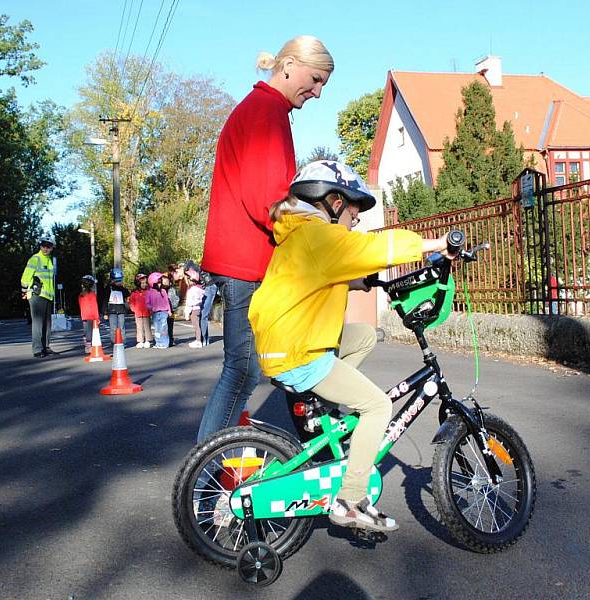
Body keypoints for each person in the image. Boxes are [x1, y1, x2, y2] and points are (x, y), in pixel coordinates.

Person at [248, 160, 453, 532]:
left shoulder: (303, 233)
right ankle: (350, 499)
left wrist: (365, 282)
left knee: (364, 335)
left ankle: (327, 409)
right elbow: (374, 246)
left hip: (291, 340)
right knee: (378, 406)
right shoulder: (318, 235)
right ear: (335, 201)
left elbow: (326, 274)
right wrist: (437, 243)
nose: (355, 221)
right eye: (354, 213)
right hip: (299, 351)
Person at [196, 35, 334, 443]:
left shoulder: (267, 110)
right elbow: (269, 202)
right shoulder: (265, 112)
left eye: (323, 83)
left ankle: (314, 453)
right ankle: (203, 475)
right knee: (243, 370)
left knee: (270, 364)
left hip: (245, 259)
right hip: (248, 263)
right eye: (315, 79)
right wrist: (323, 234)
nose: (318, 92)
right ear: (288, 65)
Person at [20, 233, 57, 358]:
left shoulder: (50, 260)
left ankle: (46, 346)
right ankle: (37, 349)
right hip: (37, 294)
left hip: (47, 295)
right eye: (43, 246)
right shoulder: (35, 258)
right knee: (37, 322)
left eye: (49, 246)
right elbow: (25, 276)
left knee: (47, 323)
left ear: (52, 247)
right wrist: (24, 290)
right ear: (40, 246)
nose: (46, 248)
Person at [102, 268, 130, 343]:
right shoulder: (109, 289)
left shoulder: (123, 289)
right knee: (113, 327)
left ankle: (123, 341)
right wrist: (105, 312)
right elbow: (105, 300)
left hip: (121, 310)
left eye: (120, 280)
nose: (119, 283)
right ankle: (113, 341)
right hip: (111, 311)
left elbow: (127, 295)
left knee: (122, 326)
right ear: (112, 280)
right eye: (117, 281)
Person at [145, 272, 171, 349]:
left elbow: (167, 302)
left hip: (164, 312)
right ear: (153, 283)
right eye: (158, 282)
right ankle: (158, 343)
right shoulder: (149, 292)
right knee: (157, 329)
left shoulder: (163, 291)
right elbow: (147, 303)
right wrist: (152, 308)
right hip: (155, 313)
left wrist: (169, 311)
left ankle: (165, 343)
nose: (160, 284)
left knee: (164, 328)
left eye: (160, 282)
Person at [129, 273, 153, 349]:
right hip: (138, 313)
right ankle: (140, 341)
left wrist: (151, 309)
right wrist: (134, 309)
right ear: (138, 283)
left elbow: (151, 301)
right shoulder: (134, 293)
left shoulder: (149, 292)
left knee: (147, 327)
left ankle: (148, 340)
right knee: (139, 327)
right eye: (142, 283)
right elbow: (131, 302)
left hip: (147, 312)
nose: (144, 285)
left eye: (145, 283)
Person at [77, 275, 99, 353]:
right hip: (91, 316)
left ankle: (86, 345)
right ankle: (89, 347)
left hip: (84, 315)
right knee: (91, 331)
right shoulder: (92, 294)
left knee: (86, 330)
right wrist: (97, 317)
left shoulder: (81, 295)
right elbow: (94, 306)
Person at [184, 268, 205, 349]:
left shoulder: (191, 290)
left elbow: (189, 303)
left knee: (196, 325)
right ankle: (199, 340)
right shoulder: (200, 289)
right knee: (198, 325)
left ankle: (198, 341)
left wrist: (186, 313)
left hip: (194, 309)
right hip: (199, 308)